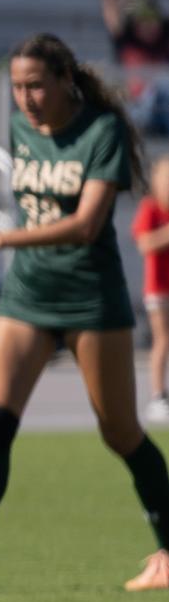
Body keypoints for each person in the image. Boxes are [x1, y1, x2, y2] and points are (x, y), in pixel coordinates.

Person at [0, 33, 169, 594]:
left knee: (121, 432)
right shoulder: (20, 129)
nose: (26, 98)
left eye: (36, 86)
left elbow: (84, 226)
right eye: (16, 87)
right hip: (27, 296)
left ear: (64, 81)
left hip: (90, 299)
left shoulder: (100, 132)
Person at [132, 157, 169, 425]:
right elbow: (144, 244)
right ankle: (158, 396)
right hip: (158, 288)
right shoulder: (150, 209)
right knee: (162, 341)